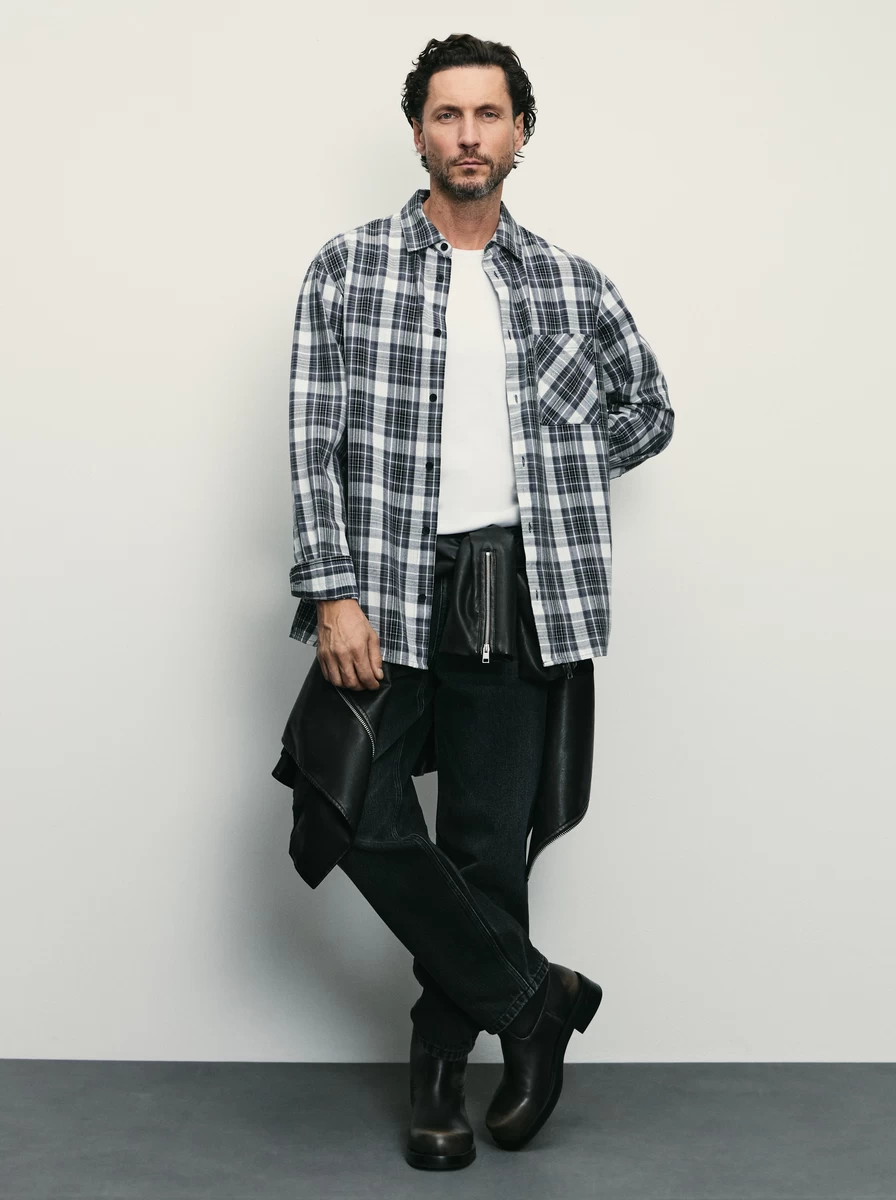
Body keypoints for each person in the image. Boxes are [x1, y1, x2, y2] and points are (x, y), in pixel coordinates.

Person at [285, 32, 674, 1170]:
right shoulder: (349, 267)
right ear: (418, 131)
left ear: (520, 132)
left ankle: (440, 1078)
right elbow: (312, 445)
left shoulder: (570, 282)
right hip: (387, 584)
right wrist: (332, 590)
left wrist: (562, 471)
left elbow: (649, 410)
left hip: (519, 582)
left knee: (487, 845)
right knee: (344, 802)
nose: (468, 135)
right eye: (447, 114)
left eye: (488, 114)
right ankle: (532, 998)